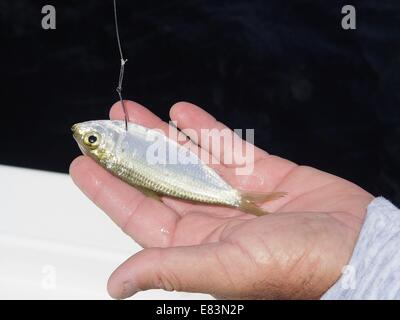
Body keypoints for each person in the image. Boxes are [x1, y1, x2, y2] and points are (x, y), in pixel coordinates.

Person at [70, 100, 400, 300]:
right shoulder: (117, 150)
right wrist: (367, 248)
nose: (87, 132)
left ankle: (238, 198)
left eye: (92, 139)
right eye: (93, 139)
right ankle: (238, 199)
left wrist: (365, 254)